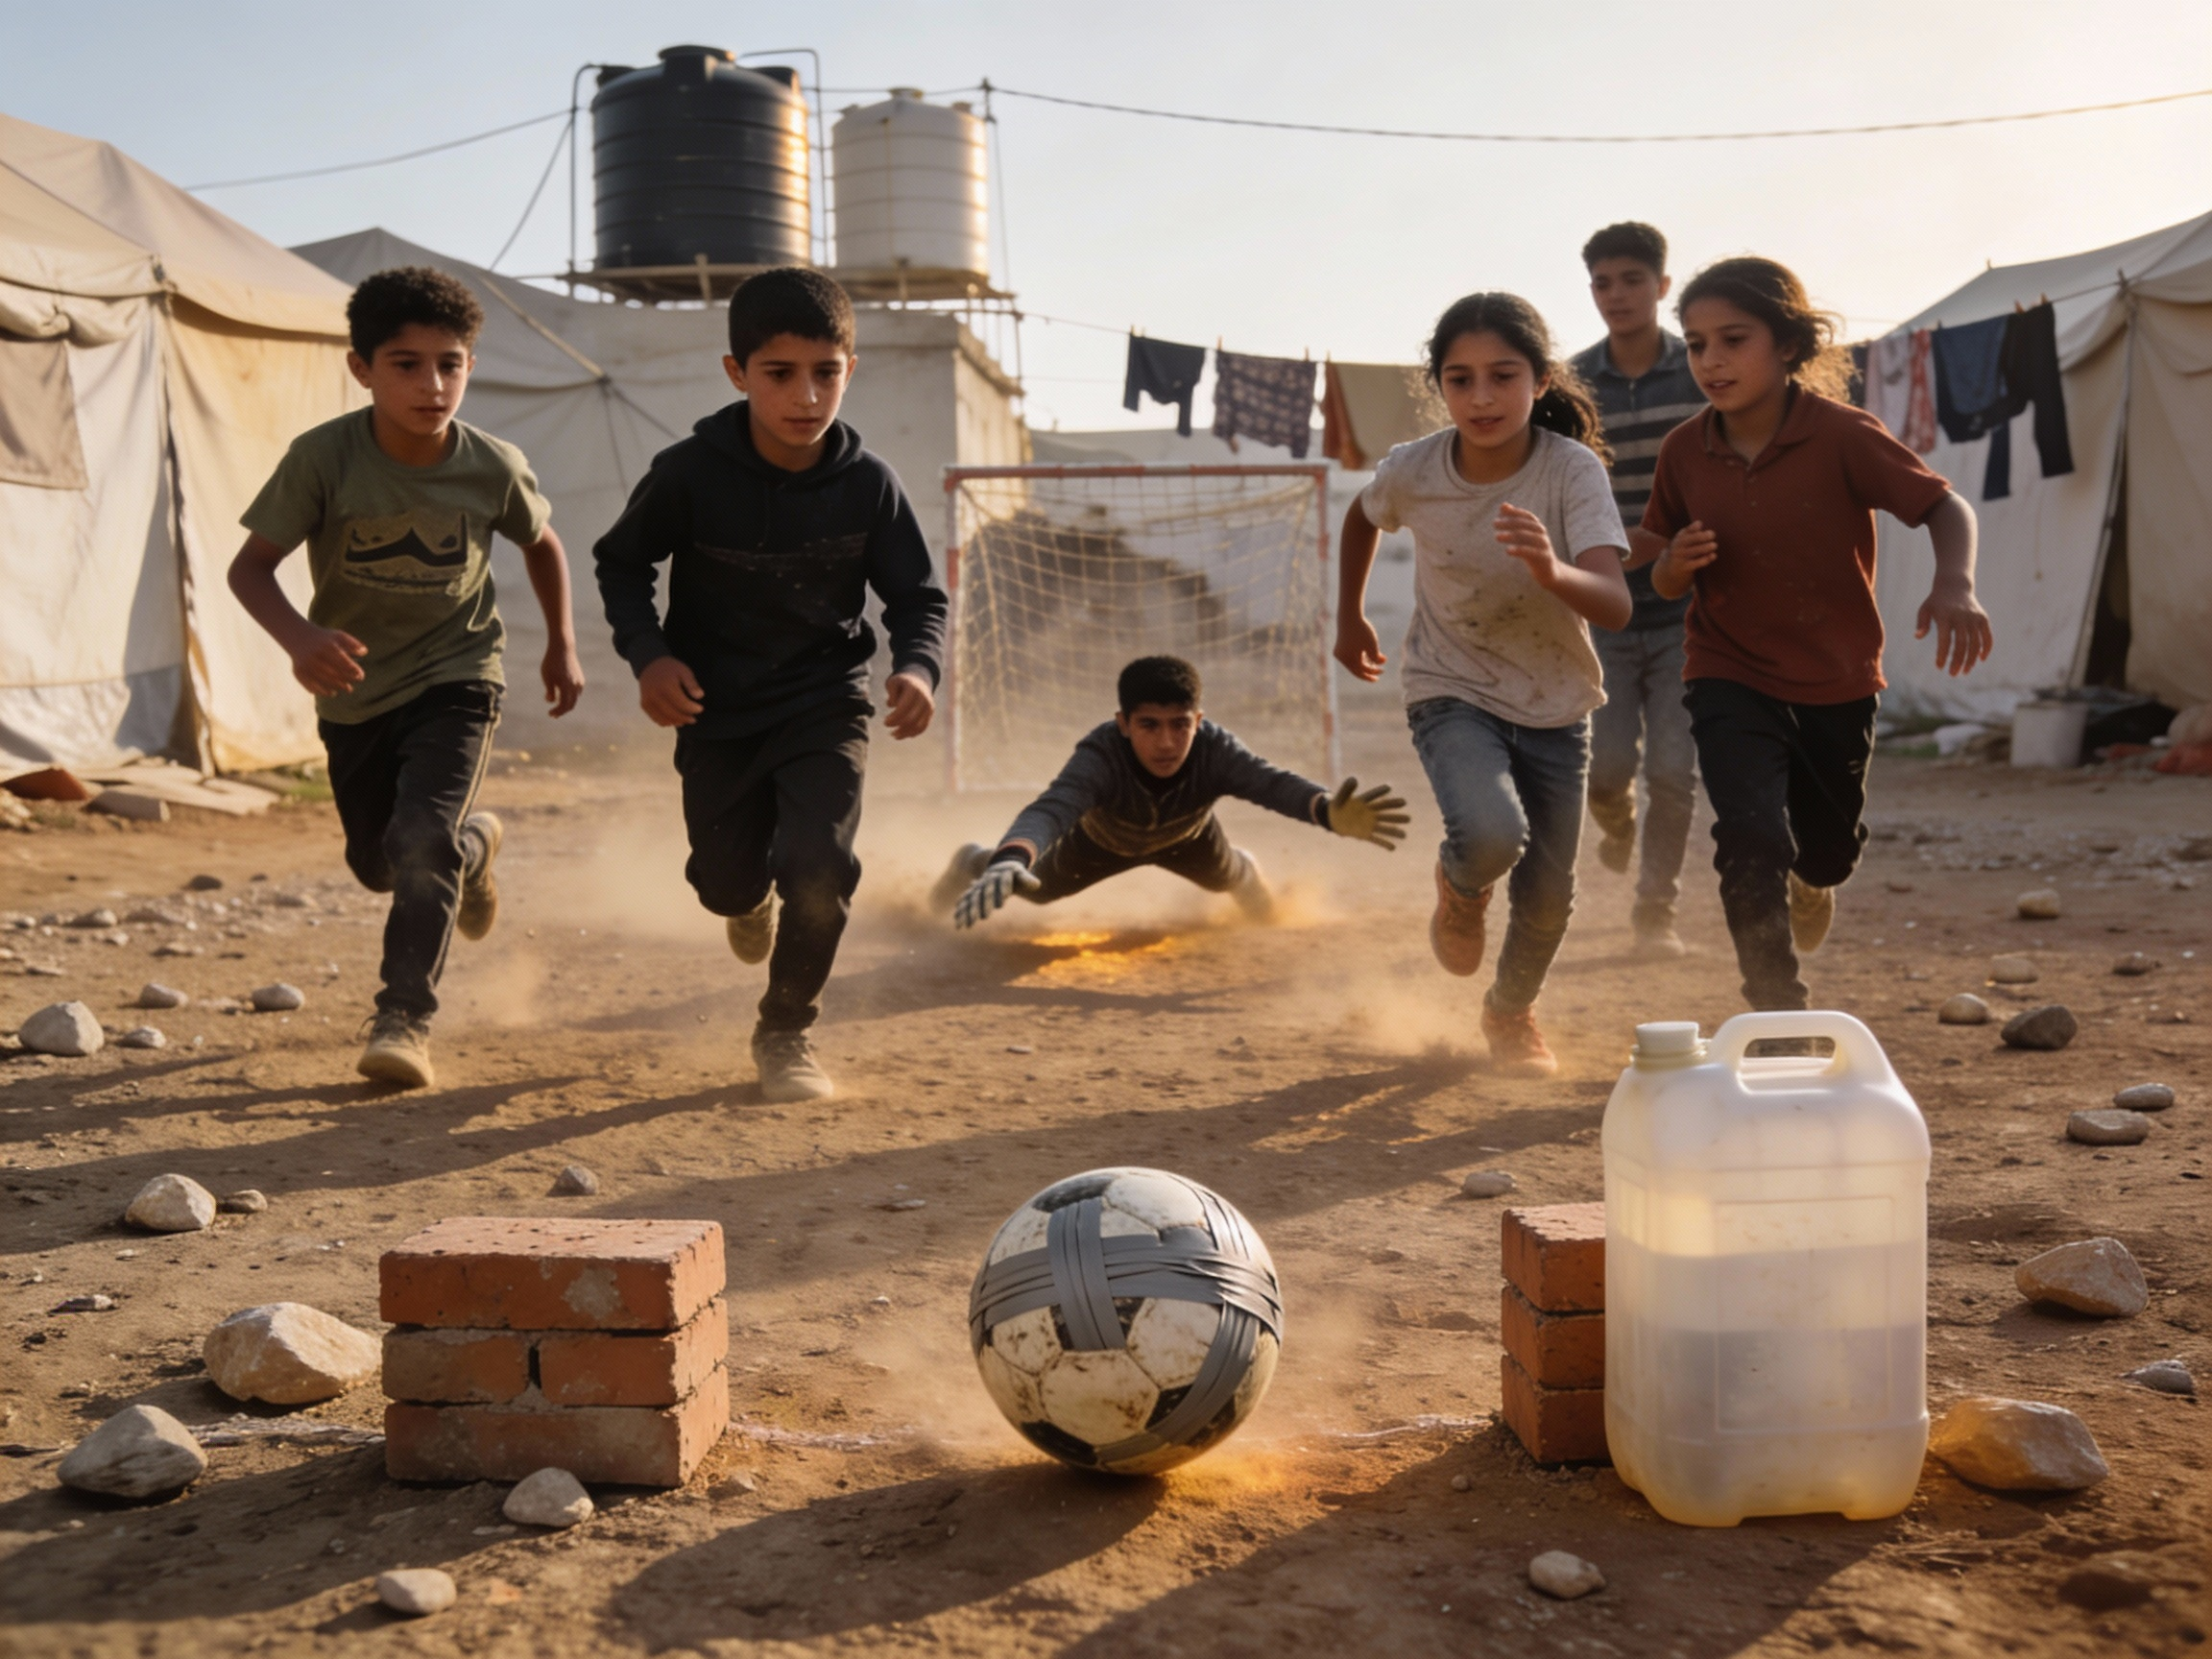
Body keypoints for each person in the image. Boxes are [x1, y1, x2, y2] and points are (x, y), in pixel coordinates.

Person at [228, 266, 585, 1091]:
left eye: (451, 363)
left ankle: (404, 1019)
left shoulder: (492, 464)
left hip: (459, 673)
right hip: (354, 690)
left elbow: (541, 542)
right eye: (406, 364)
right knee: (379, 861)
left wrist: (560, 643)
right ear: (362, 368)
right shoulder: (322, 459)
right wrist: (298, 637)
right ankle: (476, 849)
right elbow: (249, 571)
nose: (433, 385)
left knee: (420, 837)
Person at [594, 267, 945, 1103]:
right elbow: (622, 563)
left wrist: (918, 666)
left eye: (826, 372)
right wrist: (649, 655)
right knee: (728, 882)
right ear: (736, 373)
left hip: (827, 703)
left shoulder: (871, 485)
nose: (806, 395)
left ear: (849, 371)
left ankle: (785, 1031)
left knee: (820, 869)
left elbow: (917, 596)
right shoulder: (687, 473)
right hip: (716, 712)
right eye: (779, 374)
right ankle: (745, 900)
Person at [1643, 256, 1991, 1012]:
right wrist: (1673, 563)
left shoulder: (1842, 436)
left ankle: (1816, 879)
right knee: (1750, 837)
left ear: (1790, 344)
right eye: (1697, 343)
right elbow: (1660, 576)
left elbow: (1944, 506)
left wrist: (1953, 580)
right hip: (1725, 668)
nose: (1712, 360)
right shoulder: (1683, 451)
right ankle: (1777, 1009)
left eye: (1733, 339)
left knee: (1824, 853)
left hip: (1837, 675)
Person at [1335, 294, 1632, 1077]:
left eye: (1503, 376)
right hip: (1449, 682)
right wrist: (1350, 617)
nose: (1482, 397)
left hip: (1557, 700)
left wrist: (1550, 568)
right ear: (1440, 388)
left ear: (1539, 380)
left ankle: (1510, 1011)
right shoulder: (1415, 468)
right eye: (1460, 380)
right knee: (1494, 834)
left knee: (1547, 894)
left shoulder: (1570, 471)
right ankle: (1460, 885)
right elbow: (1362, 517)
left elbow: (1615, 601)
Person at [937, 655, 1407, 928]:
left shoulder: (1214, 750)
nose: (1166, 742)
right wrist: (1009, 859)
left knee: (1239, 887)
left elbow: (1270, 783)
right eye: (1149, 725)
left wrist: (1325, 810)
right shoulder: (1100, 755)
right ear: (1123, 724)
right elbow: (1052, 810)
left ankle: (1248, 871)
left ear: (1197, 722)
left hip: (1190, 839)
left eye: (1180, 725)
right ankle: (972, 859)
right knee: (1032, 889)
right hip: (1099, 844)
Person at [1568, 223, 1709, 958]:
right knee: (1610, 767)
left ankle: (1655, 914)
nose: (1615, 295)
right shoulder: (1570, 383)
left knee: (1673, 772)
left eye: (1630, 280)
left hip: (1691, 606)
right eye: (1601, 282)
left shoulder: (1702, 372)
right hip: (1605, 608)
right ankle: (1615, 820)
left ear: (1662, 285)